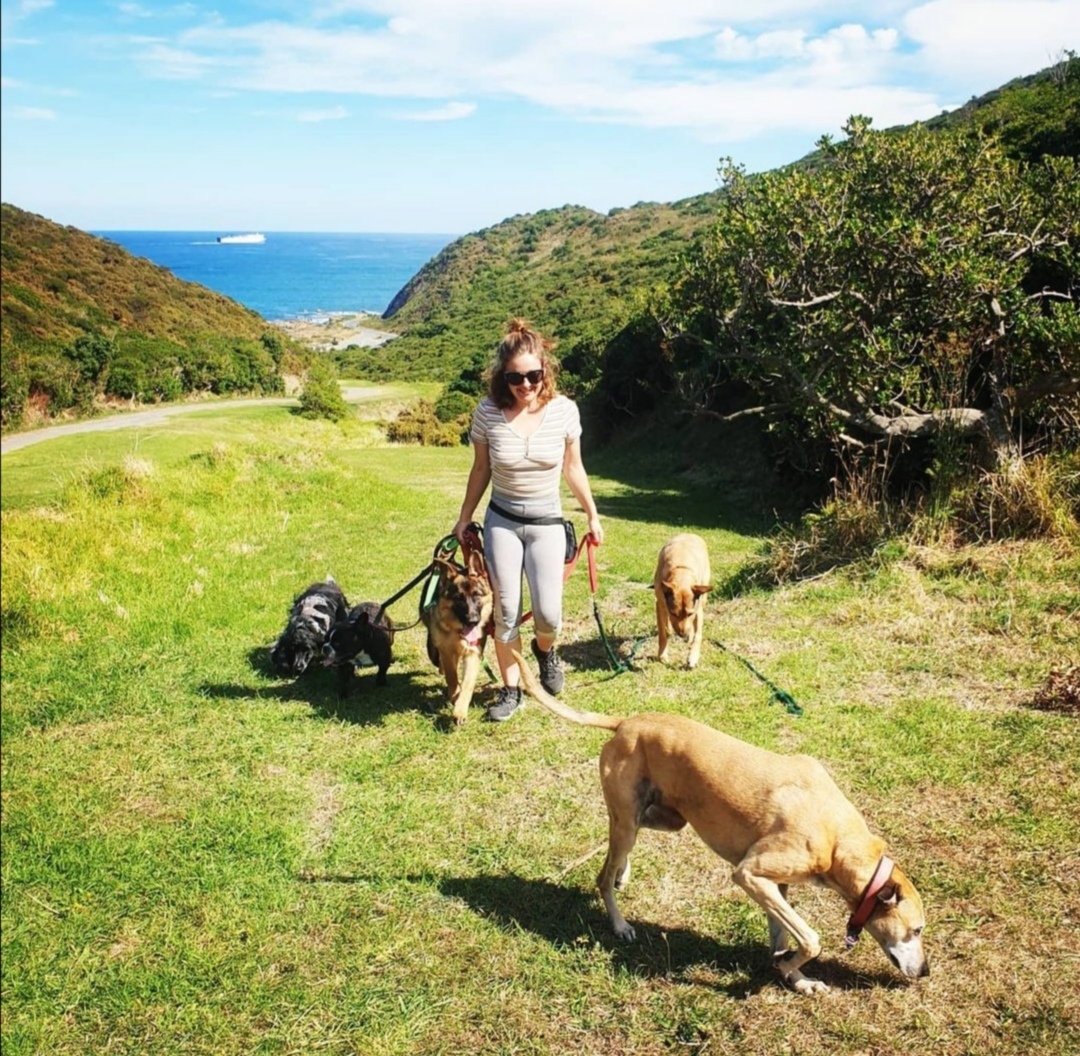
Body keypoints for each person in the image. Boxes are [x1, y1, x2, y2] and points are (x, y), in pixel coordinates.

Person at [453, 319, 604, 722]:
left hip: (547, 521)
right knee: (504, 610)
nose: (525, 385)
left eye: (533, 375)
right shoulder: (487, 412)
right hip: (502, 519)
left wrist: (592, 515)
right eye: (516, 377)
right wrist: (464, 518)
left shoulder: (564, 411)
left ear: (545, 372)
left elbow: (574, 469)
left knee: (548, 613)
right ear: (503, 377)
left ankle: (545, 650)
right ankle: (511, 689)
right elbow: (481, 469)